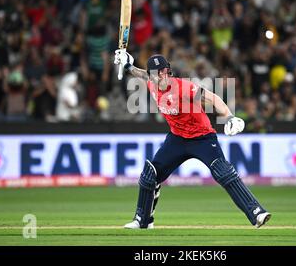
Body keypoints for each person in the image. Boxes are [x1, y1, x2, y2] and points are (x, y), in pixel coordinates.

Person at [114, 49, 271, 229]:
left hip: (202, 137)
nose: (163, 76)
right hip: (177, 138)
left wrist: (229, 117)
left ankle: (256, 212)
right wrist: (128, 65)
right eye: (159, 73)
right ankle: (143, 221)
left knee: (223, 172)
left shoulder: (182, 87)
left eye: (166, 71)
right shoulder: (151, 82)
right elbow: (141, 74)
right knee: (150, 175)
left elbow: (213, 98)